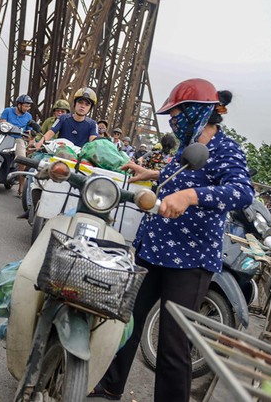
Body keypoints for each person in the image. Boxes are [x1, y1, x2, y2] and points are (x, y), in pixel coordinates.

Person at [90, 78, 254, 402]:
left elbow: (242, 192)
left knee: (173, 344)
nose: (172, 121)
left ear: (197, 112)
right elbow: (178, 174)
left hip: (189, 261)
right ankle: (108, 387)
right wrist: (149, 173)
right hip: (153, 248)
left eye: (177, 114)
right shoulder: (186, 145)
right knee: (127, 321)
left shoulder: (225, 149)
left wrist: (192, 196)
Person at [34, 87, 98, 150]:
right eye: (80, 102)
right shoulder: (63, 118)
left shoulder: (93, 124)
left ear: (90, 108)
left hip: (79, 157)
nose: (83, 106)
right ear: (75, 104)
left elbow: (93, 142)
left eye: (87, 104)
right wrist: (41, 142)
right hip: (60, 153)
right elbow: (51, 132)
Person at [0, 94, 35, 195]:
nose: (27, 108)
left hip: (18, 139)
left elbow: (29, 130)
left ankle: (21, 187)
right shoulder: (8, 111)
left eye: (29, 106)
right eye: (26, 106)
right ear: (19, 105)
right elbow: (2, 122)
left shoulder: (28, 116)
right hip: (5, 136)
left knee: (22, 159)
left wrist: (31, 135)